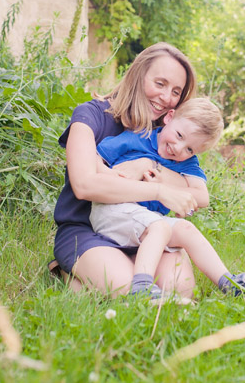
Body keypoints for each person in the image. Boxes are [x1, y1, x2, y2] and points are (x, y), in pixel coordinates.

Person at [51, 42, 202, 298]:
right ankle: (67, 272)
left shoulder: (168, 135)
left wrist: (148, 165)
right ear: (137, 75)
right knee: (127, 289)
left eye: (176, 91)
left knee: (181, 289)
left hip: (146, 232)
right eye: (160, 84)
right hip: (87, 230)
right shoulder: (90, 116)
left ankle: (97, 283)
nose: (166, 98)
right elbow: (85, 184)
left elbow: (197, 193)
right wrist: (157, 191)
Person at [90, 98, 245, 299]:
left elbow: (202, 197)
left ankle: (230, 284)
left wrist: (165, 182)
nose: (179, 149)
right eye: (179, 135)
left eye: (190, 149)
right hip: (111, 210)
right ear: (169, 117)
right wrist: (108, 175)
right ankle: (141, 288)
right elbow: (94, 157)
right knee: (159, 227)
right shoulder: (137, 138)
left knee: (187, 229)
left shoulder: (186, 163)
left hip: (144, 218)